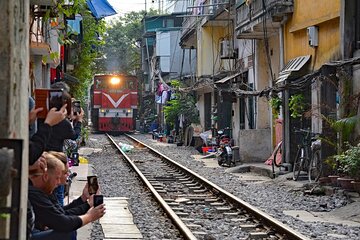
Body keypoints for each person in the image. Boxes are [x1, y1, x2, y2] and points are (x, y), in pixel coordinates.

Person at [28, 152, 105, 238]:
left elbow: (61, 213)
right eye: (60, 175)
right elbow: (62, 222)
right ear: (45, 176)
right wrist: (89, 216)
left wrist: (83, 199)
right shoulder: (35, 193)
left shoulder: (44, 190)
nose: (68, 176)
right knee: (68, 232)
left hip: (34, 231)